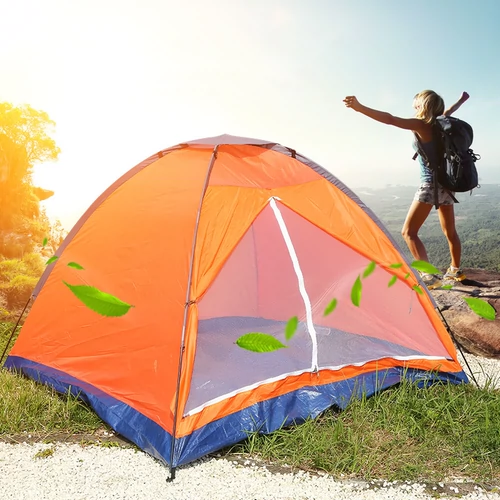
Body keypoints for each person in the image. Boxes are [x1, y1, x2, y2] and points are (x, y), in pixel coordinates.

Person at [343, 90, 470, 289]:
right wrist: (461, 101)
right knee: (450, 232)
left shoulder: (421, 125)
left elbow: (390, 119)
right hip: (447, 185)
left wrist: (360, 108)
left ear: (423, 105)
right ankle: (455, 271)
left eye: (416, 103)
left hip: (430, 185)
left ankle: (429, 276)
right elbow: (449, 110)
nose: (414, 106)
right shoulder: (441, 123)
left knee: (408, 232)